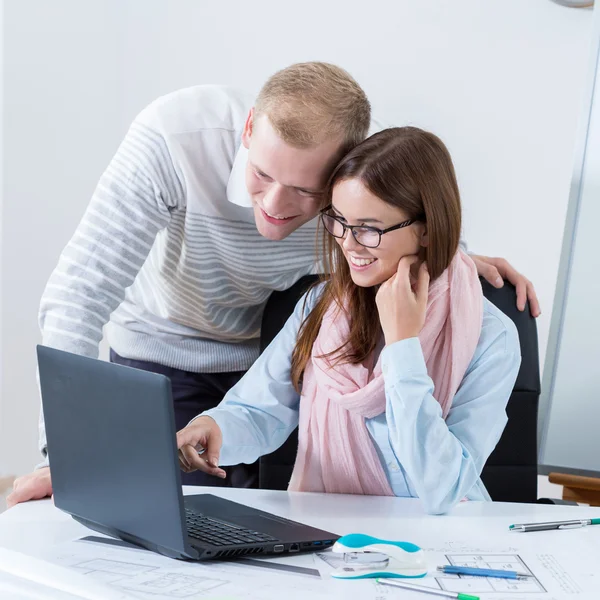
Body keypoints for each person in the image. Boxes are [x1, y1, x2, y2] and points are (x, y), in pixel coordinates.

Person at [8, 63, 536, 509]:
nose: (277, 207)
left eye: (308, 194)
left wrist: (451, 265)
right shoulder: (320, 307)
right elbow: (80, 293)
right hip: (167, 353)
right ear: (248, 129)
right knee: (156, 514)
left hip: (266, 361)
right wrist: (67, 454)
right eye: (262, 176)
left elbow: (396, 204)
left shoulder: (485, 333)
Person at [176, 127, 521, 515]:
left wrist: (403, 346)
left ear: (426, 229)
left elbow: (443, 488)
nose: (348, 243)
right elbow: (258, 411)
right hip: (329, 529)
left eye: (368, 229)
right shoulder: (320, 307)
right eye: (338, 220)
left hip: (440, 540)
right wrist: (213, 428)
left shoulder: (491, 337)